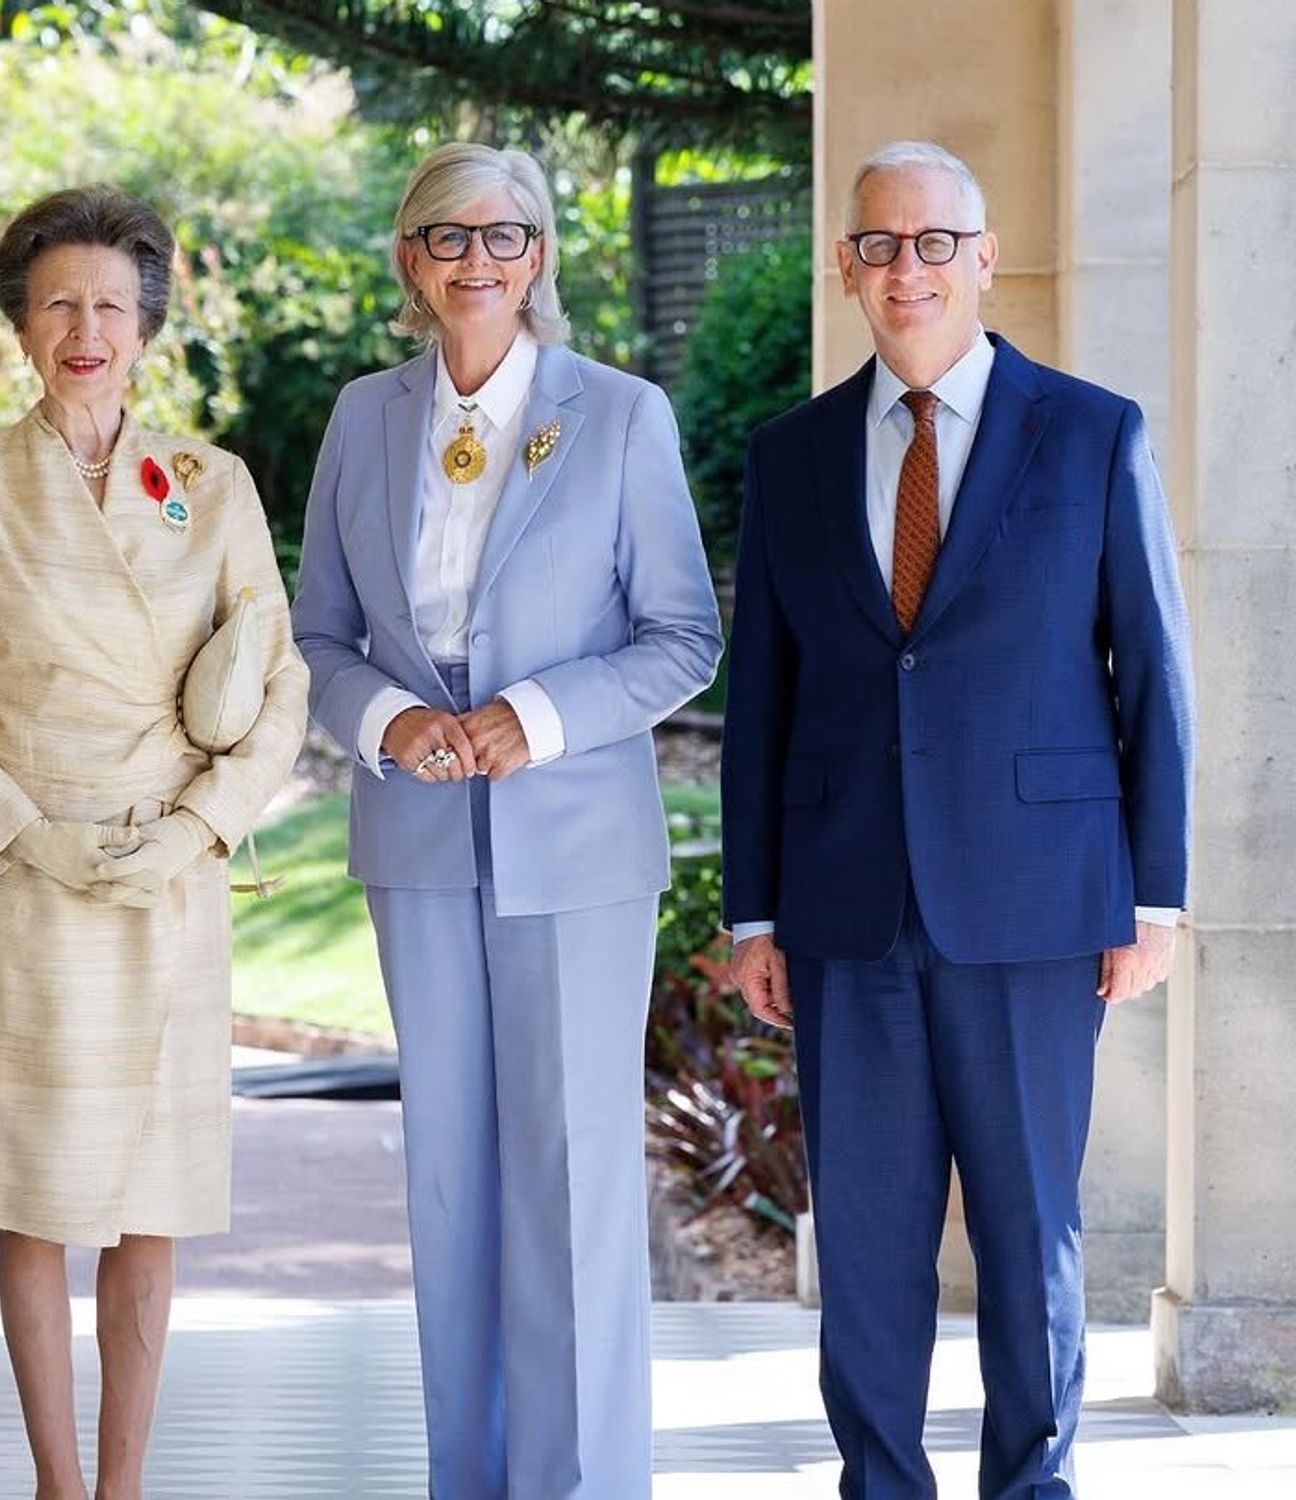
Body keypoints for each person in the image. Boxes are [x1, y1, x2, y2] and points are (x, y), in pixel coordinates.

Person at [721, 140, 1193, 1498]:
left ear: (983, 259)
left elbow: (1154, 673)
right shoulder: (793, 455)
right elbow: (765, 695)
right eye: (879, 244)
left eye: (934, 243)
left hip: (1039, 903)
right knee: (868, 1240)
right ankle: (880, 1483)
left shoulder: (1094, 432)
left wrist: (1153, 896)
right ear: (850, 270)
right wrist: (753, 910)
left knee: (1032, 1224)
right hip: (843, 902)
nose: (906, 268)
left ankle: (1030, 1483)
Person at [290, 142, 723, 1499]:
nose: (476, 262)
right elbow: (314, 633)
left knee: (573, 1174)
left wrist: (532, 717)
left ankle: (580, 1484)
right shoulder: (363, 417)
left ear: (542, 256)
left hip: (576, 842)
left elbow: (682, 637)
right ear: (410, 260)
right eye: (446, 238)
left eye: (506, 237)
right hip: (417, 838)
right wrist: (385, 721)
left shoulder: (622, 415)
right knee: (452, 1181)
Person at [0, 185, 307, 1500]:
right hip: (24, 878)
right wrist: (24, 835)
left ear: (148, 327)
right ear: (18, 321)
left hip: (167, 877)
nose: (86, 329)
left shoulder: (212, 485)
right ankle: (58, 1482)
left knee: (149, 1193)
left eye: (111, 306)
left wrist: (200, 829)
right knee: (38, 1191)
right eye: (58, 301)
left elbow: (276, 684)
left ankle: (124, 1485)